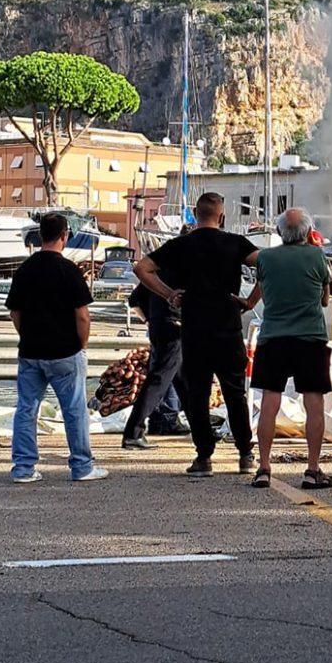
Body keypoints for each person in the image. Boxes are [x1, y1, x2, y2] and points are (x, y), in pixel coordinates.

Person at [134, 192, 258, 477]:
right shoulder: (236, 244)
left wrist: (169, 294)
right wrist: (250, 301)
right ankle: (245, 453)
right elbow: (266, 266)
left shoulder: (181, 245)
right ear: (222, 216)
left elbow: (142, 268)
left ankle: (204, 457)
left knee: (197, 394)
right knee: (235, 392)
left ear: (194, 214)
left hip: (195, 327)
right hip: (228, 325)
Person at [7, 212, 107, 483]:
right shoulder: (70, 271)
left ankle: (23, 468)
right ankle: (81, 467)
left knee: (27, 409)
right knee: (74, 411)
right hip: (65, 351)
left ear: (41, 235)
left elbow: (15, 313)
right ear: (65, 235)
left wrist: (27, 335)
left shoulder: (24, 270)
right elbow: (82, 315)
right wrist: (81, 345)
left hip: (31, 351)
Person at [245, 208, 332, 490]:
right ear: (309, 232)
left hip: (273, 338)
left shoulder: (266, 258)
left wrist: (246, 303)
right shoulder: (317, 256)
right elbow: (324, 299)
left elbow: (258, 292)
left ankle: (263, 467)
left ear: (279, 233)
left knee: (269, 404)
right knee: (314, 404)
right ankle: (312, 469)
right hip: (310, 339)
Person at [122, 278, 187, 448]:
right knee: (159, 380)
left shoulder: (154, 275)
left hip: (158, 328)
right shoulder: (185, 271)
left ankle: (202, 429)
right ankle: (133, 432)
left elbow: (133, 301)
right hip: (175, 328)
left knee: (184, 382)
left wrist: (148, 320)